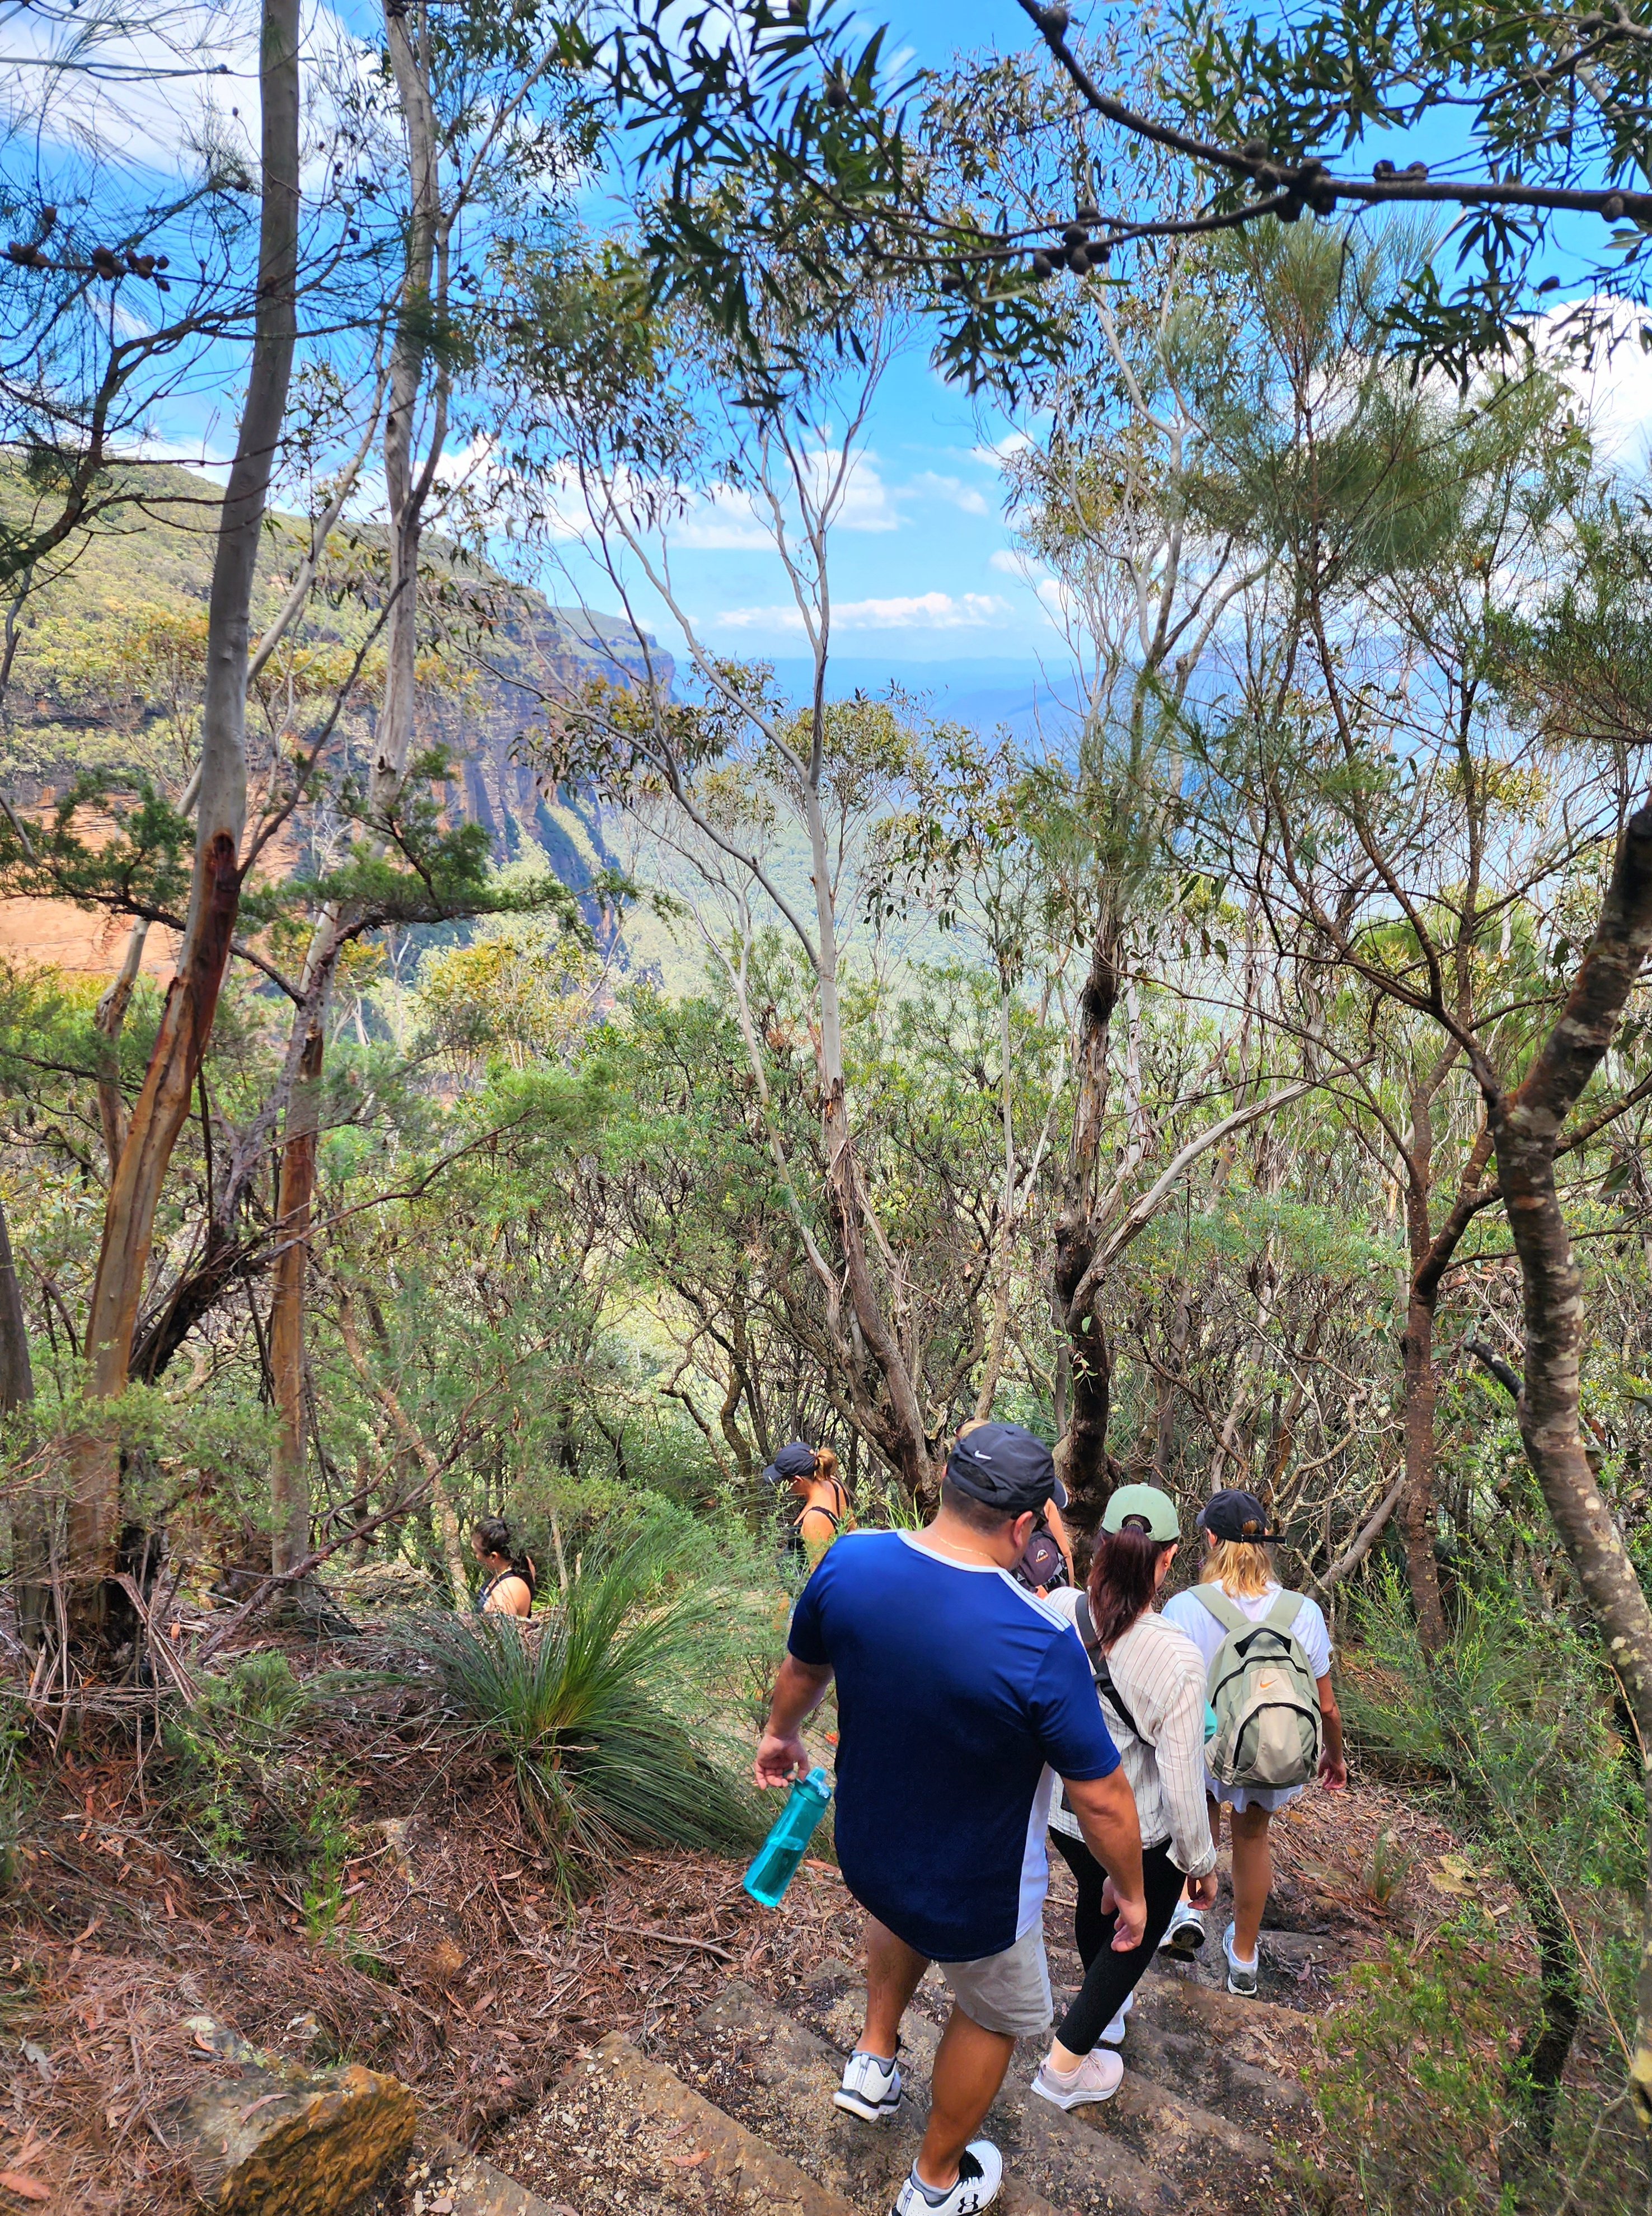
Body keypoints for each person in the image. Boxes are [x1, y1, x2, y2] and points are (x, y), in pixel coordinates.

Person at [755, 1421, 1146, 2216]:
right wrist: (1131, 1888)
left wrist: (780, 1733)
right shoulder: (1040, 1639)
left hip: (871, 1843)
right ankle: (935, 2182)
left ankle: (873, 2057)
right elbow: (1101, 1794)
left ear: (946, 1483)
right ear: (1023, 1522)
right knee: (995, 2011)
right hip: (977, 1887)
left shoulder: (851, 1559)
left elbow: (802, 1668)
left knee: (899, 1914)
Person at [1033, 1484, 1219, 2110]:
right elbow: (1184, 1783)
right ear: (1166, 1559)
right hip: (1138, 1828)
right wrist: (1200, 1864)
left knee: (1096, 1889)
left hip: (1067, 1813)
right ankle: (1062, 2069)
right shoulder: (1176, 1657)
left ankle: (1104, 2014)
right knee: (1133, 1929)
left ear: (1103, 1546)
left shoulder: (1058, 1608)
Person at [1162, 1488, 1348, 1995]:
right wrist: (1333, 1753)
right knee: (1252, 1838)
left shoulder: (1184, 1606)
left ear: (1209, 1540)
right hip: (1269, 1746)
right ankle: (1243, 1958)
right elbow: (1327, 1705)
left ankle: (1185, 1911)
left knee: (1199, 1816)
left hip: (1203, 1744)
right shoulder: (1302, 1611)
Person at [762, 1439, 856, 1570]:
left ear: (797, 1480)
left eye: (784, 1480)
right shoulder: (833, 1482)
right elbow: (852, 1530)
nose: (786, 1487)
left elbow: (818, 1576)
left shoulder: (814, 1518)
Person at [472, 1517, 536, 1617]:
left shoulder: (508, 1590)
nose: (474, 1556)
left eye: (476, 1552)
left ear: (493, 1556)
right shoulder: (519, 1565)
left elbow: (497, 1632)